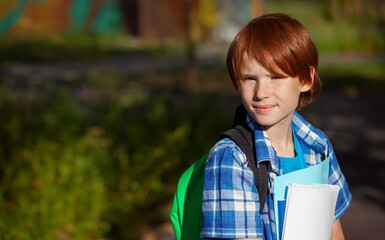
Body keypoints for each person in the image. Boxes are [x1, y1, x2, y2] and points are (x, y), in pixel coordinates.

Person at [200, 13, 351, 240]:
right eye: (249, 78)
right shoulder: (232, 159)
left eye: (275, 77)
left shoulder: (318, 148)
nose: (261, 92)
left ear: (305, 80)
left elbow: (334, 231)